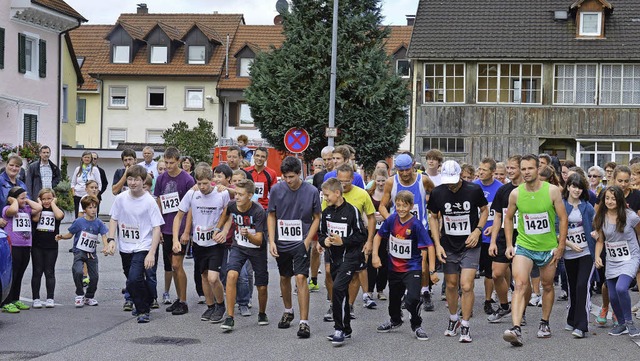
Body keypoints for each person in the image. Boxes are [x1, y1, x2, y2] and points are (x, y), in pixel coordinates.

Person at [502, 154, 568, 346]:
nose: (526, 172)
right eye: (523, 169)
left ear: (538, 169)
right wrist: (509, 244)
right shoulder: (516, 194)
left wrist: (561, 245)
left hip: (547, 248)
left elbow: (563, 218)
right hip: (524, 246)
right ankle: (515, 328)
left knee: (547, 286)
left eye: (530, 168)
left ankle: (545, 322)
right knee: (520, 284)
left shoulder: (552, 191)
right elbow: (508, 218)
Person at [428, 160, 489, 343]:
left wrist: (477, 230)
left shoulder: (473, 190)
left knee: (467, 285)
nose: (451, 185)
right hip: (448, 244)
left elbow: (485, 210)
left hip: (470, 244)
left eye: (454, 181)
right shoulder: (438, 193)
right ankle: (453, 318)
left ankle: (465, 324)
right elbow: (432, 216)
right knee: (452, 284)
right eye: (448, 181)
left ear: (461, 176)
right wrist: (437, 244)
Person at [373, 190, 438, 341]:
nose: (401, 209)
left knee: (412, 299)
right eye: (398, 205)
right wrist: (375, 255)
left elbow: (430, 246)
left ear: (411, 206)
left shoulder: (416, 224)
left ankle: (417, 325)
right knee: (394, 300)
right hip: (394, 267)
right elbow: (378, 236)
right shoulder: (391, 220)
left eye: (404, 205)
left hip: (412, 267)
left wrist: (432, 270)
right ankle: (395, 320)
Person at [268, 156, 321, 339]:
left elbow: (317, 217)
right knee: (284, 277)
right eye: (285, 177)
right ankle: (288, 310)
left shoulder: (312, 191)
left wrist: (307, 241)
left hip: (301, 242)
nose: (288, 180)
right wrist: (272, 241)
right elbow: (271, 215)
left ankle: (304, 322)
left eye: (291, 176)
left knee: (300, 277)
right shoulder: (276, 189)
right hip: (281, 241)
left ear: (300, 174)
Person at [107, 165, 164, 323]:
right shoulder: (121, 198)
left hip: (143, 246)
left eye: (136, 180)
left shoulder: (149, 201)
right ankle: (148, 298)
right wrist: (111, 240)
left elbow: (157, 227)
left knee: (133, 279)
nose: (132, 183)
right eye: (130, 179)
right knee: (132, 278)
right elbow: (113, 218)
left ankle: (143, 310)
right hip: (126, 246)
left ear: (143, 181)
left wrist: (152, 252)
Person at [174, 164, 230, 323]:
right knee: (204, 276)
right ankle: (210, 306)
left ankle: (221, 305)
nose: (203, 187)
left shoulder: (222, 194)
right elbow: (179, 216)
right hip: (198, 242)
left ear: (212, 181)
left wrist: (223, 232)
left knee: (213, 278)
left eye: (206, 183)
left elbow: (229, 215)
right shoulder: (192, 194)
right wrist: (175, 240)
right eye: (199, 183)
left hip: (215, 243)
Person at [379, 153, 435, 311]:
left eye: (407, 170)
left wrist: (435, 215)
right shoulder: (392, 182)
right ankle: (407, 293)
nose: (404, 174)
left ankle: (425, 292)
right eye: (401, 170)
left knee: (422, 263)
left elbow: (436, 196)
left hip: (420, 228)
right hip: (399, 231)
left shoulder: (423, 180)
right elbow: (382, 205)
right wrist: (391, 220)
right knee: (400, 262)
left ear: (414, 165)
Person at [318, 178, 367, 346]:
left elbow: (362, 235)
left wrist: (343, 241)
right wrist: (324, 242)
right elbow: (321, 234)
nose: (325, 198)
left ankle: (338, 328)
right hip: (334, 258)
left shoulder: (352, 211)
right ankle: (346, 329)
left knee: (338, 288)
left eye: (327, 195)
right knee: (341, 292)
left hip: (350, 257)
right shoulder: (326, 212)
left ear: (337, 193)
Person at [216, 179, 270, 331]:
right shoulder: (233, 205)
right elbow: (225, 214)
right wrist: (217, 229)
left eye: (240, 194)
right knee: (231, 275)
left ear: (250, 196)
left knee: (262, 286)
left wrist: (248, 235)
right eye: (236, 193)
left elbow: (259, 240)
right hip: (238, 246)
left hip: (256, 249)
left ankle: (262, 313)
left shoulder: (258, 211)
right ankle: (230, 317)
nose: (237, 197)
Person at [594, 186, 640, 337]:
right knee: (612, 296)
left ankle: (629, 323)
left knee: (621, 288)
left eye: (613, 198)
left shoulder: (630, 216)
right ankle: (621, 324)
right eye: (607, 198)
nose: (610, 201)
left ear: (620, 200)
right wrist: (597, 256)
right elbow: (600, 241)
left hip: (630, 257)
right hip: (612, 260)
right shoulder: (601, 216)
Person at [154, 147, 195, 316]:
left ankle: (184, 301)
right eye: (166, 162)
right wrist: (160, 227)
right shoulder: (161, 179)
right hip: (166, 228)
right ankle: (179, 298)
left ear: (178, 161)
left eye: (172, 163)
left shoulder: (187, 179)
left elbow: (191, 207)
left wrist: (187, 231)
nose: (169, 166)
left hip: (181, 228)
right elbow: (158, 202)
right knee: (172, 265)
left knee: (178, 264)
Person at [56, 196, 109, 307]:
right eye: (90, 207)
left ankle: (89, 296)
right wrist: (62, 236)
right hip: (79, 251)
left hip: (91, 253)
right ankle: (79, 294)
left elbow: (104, 235)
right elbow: (70, 234)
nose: (93, 210)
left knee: (94, 277)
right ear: (84, 209)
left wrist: (106, 246)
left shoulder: (99, 223)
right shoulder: (79, 222)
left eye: (95, 207)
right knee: (78, 271)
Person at [488, 155, 523, 323]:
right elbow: (497, 217)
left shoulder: (528, 190)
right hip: (503, 236)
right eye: (507, 168)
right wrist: (493, 241)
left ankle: (520, 312)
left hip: (523, 237)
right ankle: (504, 306)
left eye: (512, 168)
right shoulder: (503, 190)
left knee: (521, 278)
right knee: (496, 274)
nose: (509, 171)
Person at [561, 173, 596, 338]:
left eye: (580, 187)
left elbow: (596, 224)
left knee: (583, 286)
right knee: (573, 287)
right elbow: (554, 231)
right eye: (574, 186)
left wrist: (596, 233)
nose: (576, 190)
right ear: (568, 187)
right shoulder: (560, 206)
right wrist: (569, 244)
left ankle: (582, 326)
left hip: (586, 253)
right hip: (569, 253)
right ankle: (572, 319)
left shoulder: (587, 207)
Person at [0, 186, 41, 313]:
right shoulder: (8, 209)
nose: (25, 200)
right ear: (13, 199)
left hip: (26, 245)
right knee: (13, 273)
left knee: (20, 273)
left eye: (26, 197)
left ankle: (15, 299)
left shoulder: (27, 209)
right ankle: (6, 302)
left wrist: (26, 200)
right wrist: (14, 201)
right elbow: (13, 210)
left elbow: (39, 208)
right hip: (14, 246)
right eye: (22, 198)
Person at [473, 158, 503, 315]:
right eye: (479, 169)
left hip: (491, 237)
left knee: (491, 272)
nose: (480, 172)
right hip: (474, 235)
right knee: (469, 271)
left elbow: (504, 214)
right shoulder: (472, 186)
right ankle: (464, 299)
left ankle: (487, 300)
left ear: (492, 172)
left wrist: (494, 227)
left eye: (484, 169)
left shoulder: (501, 188)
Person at [31, 188, 64, 309]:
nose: (46, 201)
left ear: (53, 198)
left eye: (49, 198)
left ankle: (50, 297)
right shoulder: (37, 210)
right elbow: (35, 219)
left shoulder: (56, 210)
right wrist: (39, 205)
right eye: (43, 199)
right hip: (37, 245)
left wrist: (53, 204)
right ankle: (36, 298)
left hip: (51, 246)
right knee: (37, 271)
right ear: (39, 199)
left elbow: (60, 216)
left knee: (50, 272)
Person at [367, 168, 390, 300]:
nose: (381, 183)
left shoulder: (390, 194)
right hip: (372, 230)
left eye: (383, 181)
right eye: (379, 181)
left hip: (386, 231)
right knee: (370, 260)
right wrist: (371, 218)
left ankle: (380, 289)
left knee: (384, 261)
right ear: (374, 181)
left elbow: (396, 210)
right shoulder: (369, 193)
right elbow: (364, 210)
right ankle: (369, 290)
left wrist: (386, 217)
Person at [244, 147, 277, 211]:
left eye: (262, 157)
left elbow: (274, 193)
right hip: (247, 207)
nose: (259, 158)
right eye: (257, 155)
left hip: (264, 208)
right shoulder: (246, 171)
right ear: (254, 156)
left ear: (266, 158)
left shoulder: (272, 173)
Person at [70, 151, 101, 219]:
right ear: (82, 158)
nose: (86, 159)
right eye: (85, 157)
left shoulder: (94, 169)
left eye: (88, 157)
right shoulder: (78, 169)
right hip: (78, 195)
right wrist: (73, 193)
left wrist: (95, 195)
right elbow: (73, 183)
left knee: (89, 214)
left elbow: (99, 184)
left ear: (91, 159)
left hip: (89, 196)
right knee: (78, 215)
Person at [0, 155, 29, 227]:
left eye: (17, 166)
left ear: (20, 168)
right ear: (6, 165)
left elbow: (27, 204)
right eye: (11, 165)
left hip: (18, 228)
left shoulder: (22, 184)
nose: (14, 168)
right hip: (2, 226)